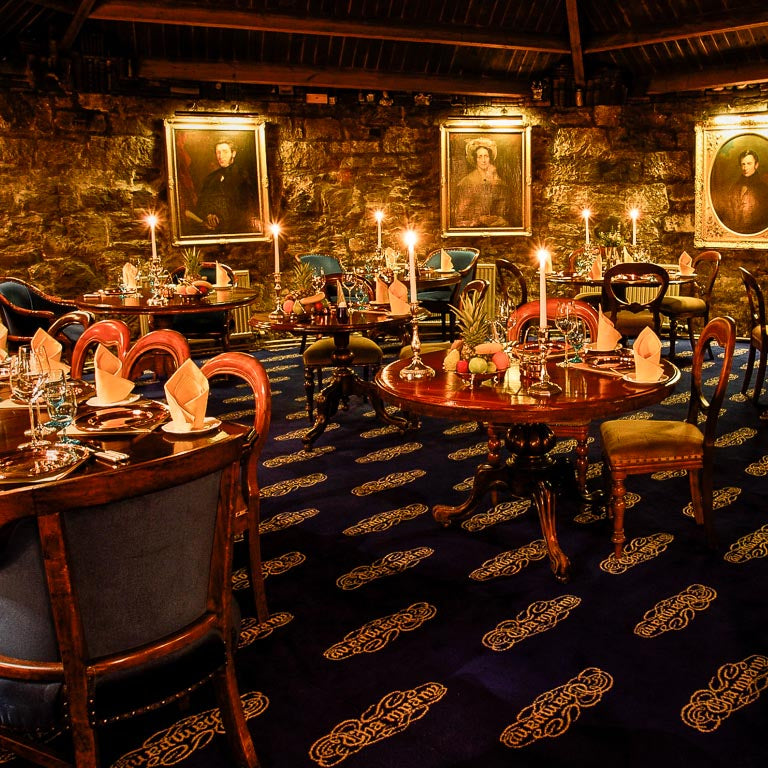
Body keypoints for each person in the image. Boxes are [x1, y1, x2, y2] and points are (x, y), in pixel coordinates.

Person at [185, 139, 260, 235]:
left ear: (233, 153)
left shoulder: (243, 176)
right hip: (212, 231)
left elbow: (247, 208)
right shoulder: (210, 178)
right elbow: (202, 204)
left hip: (237, 231)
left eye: (225, 152)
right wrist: (208, 215)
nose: (220, 156)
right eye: (218, 152)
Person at [453, 137, 510, 228]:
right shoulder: (466, 182)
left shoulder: (497, 181)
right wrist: (479, 219)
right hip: (473, 228)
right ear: (476, 159)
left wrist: (499, 219)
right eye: (480, 156)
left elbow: (502, 209)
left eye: (486, 156)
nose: (483, 160)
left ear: (489, 158)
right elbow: (460, 217)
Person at [720, 148, 768, 235]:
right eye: (743, 164)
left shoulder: (763, 188)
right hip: (735, 231)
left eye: (749, 164)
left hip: (756, 232)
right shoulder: (734, 187)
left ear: (756, 165)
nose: (745, 168)